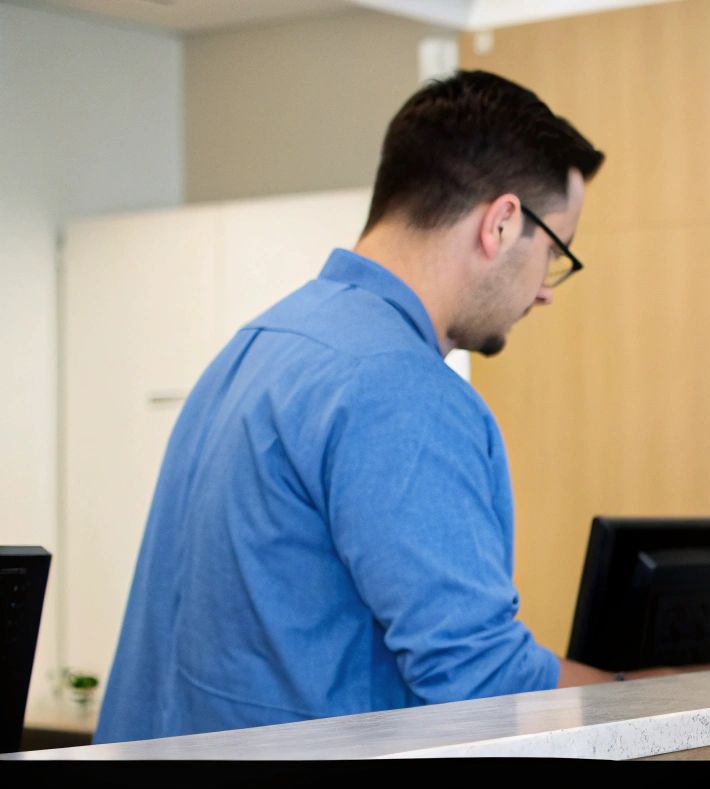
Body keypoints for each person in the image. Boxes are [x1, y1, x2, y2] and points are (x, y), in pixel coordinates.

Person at [96, 71, 610, 742]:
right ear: (502, 222)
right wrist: (667, 693)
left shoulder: (257, 346)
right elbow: (484, 684)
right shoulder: (399, 390)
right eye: (554, 252)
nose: (545, 290)